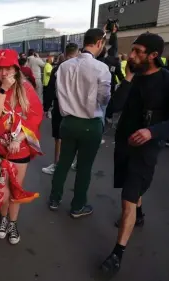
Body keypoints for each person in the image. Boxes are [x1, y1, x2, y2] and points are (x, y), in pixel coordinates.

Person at [100, 33, 169, 275]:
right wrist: (128, 77)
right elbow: (114, 107)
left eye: (138, 51)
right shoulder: (133, 77)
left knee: (128, 197)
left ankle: (117, 253)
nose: (131, 56)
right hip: (123, 145)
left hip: (146, 149)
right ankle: (139, 215)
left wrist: (152, 132)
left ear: (153, 55)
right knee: (131, 188)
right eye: (133, 50)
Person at [48, 28, 111, 217]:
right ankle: (77, 206)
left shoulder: (64, 66)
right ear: (99, 42)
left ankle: (54, 198)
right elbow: (104, 97)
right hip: (90, 124)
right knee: (84, 167)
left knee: (63, 163)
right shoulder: (101, 68)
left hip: (68, 122)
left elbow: (59, 93)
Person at [0, 49, 43, 245]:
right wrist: (2, 89)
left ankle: (13, 222)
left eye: (8, 68)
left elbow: (35, 117)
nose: (4, 73)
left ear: (16, 69)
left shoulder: (26, 89)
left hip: (21, 149)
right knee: (4, 189)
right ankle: (3, 218)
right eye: (0, 69)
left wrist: (18, 138)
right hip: (1, 150)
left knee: (16, 189)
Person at [42, 43, 79, 175]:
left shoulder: (58, 69)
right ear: (77, 52)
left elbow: (50, 90)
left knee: (59, 137)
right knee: (75, 135)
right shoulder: (82, 68)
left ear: (64, 53)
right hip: (77, 107)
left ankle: (57, 164)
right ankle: (76, 161)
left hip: (61, 105)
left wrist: (46, 108)